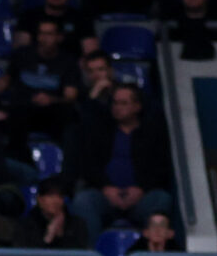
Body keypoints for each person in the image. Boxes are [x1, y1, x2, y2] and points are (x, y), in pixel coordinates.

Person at [69, 83, 176, 238]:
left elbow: (160, 168)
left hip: (140, 197)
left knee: (161, 199)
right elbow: (89, 165)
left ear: (137, 107)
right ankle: (89, 252)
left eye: (123, 103)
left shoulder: (152, 133)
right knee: (83, 200)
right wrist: (106, 188)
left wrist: (141, 189)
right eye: (115, 103)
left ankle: (154, 252)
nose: (117, 108)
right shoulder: (101, 131)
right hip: (105, 195)